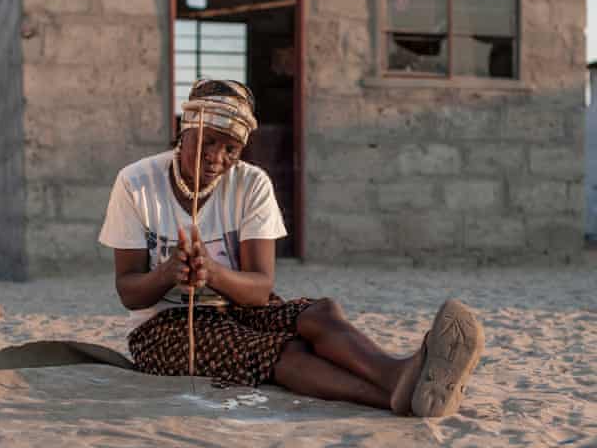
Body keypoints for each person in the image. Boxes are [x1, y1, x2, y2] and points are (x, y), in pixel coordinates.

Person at [99, 79, 484, 417]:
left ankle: (396, 373)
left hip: (236, 307)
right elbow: (129, 293)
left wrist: (212, 273)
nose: (217, 158)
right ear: (184, 131)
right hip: (161, 330)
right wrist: (169, 272)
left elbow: (260, 290)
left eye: (231, 149)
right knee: (276, 350)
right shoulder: (136, 183)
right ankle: (393, 394)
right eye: (208, 142)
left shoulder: (252, 184)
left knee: (319, 313)